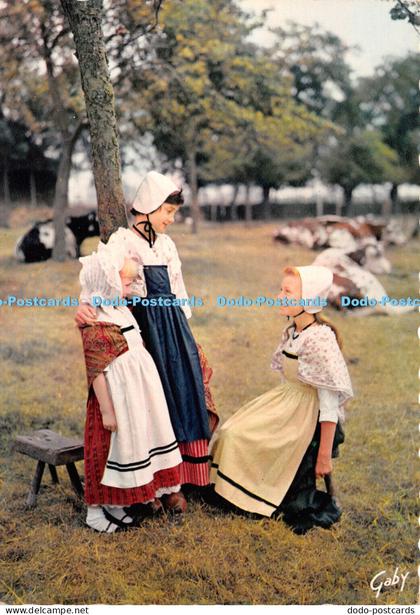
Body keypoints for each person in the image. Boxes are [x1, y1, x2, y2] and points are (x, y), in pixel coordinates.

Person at [75, 171, 218, 511]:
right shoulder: (122, 241)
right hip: (142, 329)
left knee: (184, 396)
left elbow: (179, 292)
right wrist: (84, 304)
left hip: (172, 330)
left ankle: (179, 480)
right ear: (149, 207)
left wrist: (187, 338)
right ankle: (152, 486)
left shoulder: (167, 245)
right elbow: (101, 277)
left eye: (173, 212)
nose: (171, 219)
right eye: (167, 211)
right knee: (153, 404)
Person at [208, 265, 354, 534]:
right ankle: (231, 488)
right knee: (231, 431)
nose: (279, 296)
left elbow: (329, 403)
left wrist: (324, 457)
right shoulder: (294, 332)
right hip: (287, 402)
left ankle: (249, 493)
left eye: (287, 292)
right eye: (281, 289)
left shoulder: (320, 339)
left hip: (306, 415)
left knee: (240, 437)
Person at [79, 248, 183, 532]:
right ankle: (95, 510)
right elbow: (96, 369)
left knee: (128, 446)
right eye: (124, 283)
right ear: (107, 283)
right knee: (106, 449)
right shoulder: (95, 318)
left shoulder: (119, 309)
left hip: (135, 392)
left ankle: (116, 501)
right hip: (113, 396)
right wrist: (108, 410)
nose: (129, 287)